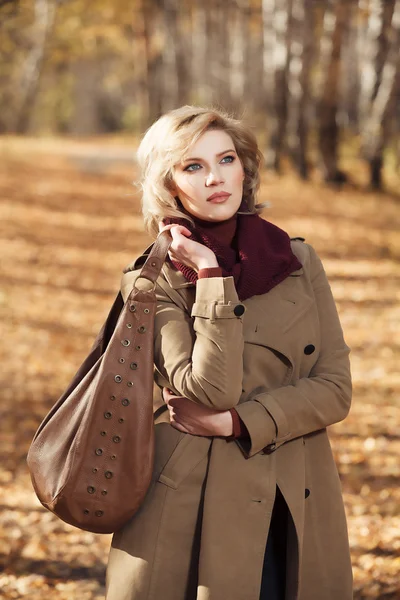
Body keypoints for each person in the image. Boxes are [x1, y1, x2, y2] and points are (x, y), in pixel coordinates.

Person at [105, 105, 353, 600]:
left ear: (245, 167)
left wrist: (237, 423)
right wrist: (212, 277)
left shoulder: (299, 260)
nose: (216, 178)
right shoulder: (150, 282)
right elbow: (210, 390)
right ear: (168, 184)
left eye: (226, 159)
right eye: (192, 166)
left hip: (298, 491)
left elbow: (335, 390)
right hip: (196, 504)